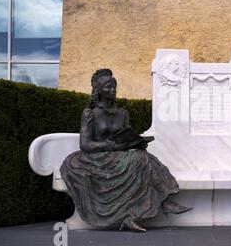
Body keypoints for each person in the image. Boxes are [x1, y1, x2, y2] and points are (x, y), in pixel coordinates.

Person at [60, 69, 192, 232]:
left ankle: (145, 210)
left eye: (114, 86)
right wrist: (109, 146)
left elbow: (124, 136)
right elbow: (85, 144)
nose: (112, 90)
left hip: (118, 155)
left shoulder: (122, 113)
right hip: (96, 158)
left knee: (142, 155)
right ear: (99, 90)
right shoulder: (90, 114)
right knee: (141, 160)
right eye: (108, 87)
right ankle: (162, 203)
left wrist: (135, 143)